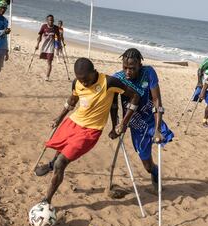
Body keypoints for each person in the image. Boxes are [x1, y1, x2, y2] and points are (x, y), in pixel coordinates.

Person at [35, 58, 140, 204]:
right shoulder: (77, 83)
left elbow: (135, 96)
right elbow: (72, 101)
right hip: (72, 123)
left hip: (90, 131)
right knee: (60, 150)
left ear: (93, 72)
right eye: (80, 80)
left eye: (85, 79)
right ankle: (51, 164)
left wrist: (123, 123)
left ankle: (47, 199)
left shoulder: (109, 82)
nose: (83, 83)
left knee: (62, 163)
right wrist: (58, 119)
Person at [112, 48, 174, 193]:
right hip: (136, 124)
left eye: (132, 68)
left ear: (140, 65)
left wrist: (158, 130)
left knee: (162, 138)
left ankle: (157, 184)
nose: (128, 71)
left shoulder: (148, 72)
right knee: (147, 166)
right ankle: (154, 171)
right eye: (125, 68)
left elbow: (157, 99)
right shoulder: (118, 79)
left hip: (152, 120)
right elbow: (113, 105)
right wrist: (116, 125)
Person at [36, 15, 61, 81]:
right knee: (43, 60)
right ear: (47, 20)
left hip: (51, 48)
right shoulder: (44, 26)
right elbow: (39, 35)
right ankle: (42, 73)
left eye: (52, 20)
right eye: (50, 20)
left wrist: (59, 45)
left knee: (49, 62)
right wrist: (37, 44)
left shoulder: (55, 28)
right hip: (44, 47)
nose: (51, 21)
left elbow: (58, 37)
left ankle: (47, 76)